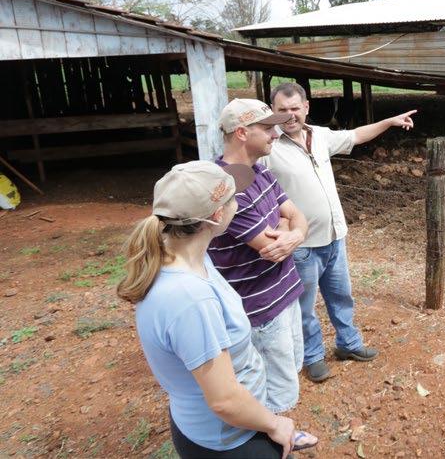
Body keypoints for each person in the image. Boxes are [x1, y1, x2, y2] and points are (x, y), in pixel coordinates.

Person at [117, 160, 318, 458]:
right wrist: (276, 424)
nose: (240, 201)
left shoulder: (182, 254)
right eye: (234, 197)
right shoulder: (191, 299)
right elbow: (225, 401)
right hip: (231, 439)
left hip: (215, 425)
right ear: (217, 215)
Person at [265, 82, 416, 382]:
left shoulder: (319, 135)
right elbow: (253, 187)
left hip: (335, 236)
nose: (290, 115)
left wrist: (388, 122)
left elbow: (355, 135)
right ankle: (313, 357)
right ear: (273, 112)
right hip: (302, 244)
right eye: (282, 110)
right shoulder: (268, 148)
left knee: (341, 296)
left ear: (306, 107)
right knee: (304, 306)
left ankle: (348, 344)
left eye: (295, 108)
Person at [209, 98, 311, 417]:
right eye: (267, 128)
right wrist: (286, 227)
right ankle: (270, 442)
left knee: (290, 371)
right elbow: (268, 248)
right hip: (261, 309)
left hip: (284, 293)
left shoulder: (258, 172)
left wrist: (293, 232)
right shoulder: (227, 187)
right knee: (274, 393)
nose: (276, 134)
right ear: (242, 133)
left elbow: (297, 217)